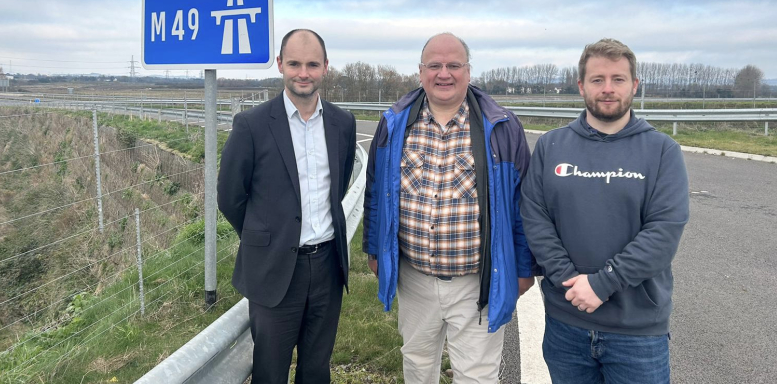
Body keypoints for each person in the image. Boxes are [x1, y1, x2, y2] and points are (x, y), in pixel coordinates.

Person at [362, 32, 537, 383]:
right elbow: (376, 192)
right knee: (417, 367)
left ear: (468, 72)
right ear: (421, 71)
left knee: (476, 377)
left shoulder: (501, 127)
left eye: (454, 65)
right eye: (435, 65)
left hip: (478, 282)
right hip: (414, 280)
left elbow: (523, 205)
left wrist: (524, 267)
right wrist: (373, 248)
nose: (444, 73)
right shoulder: (395, 122)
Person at [520, 38, 690, 384]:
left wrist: (602, 284)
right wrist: (571, 281)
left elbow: (664, 231)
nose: (608, 89)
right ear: (581, 86)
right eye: (598, 80)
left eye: (618, 79)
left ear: (634, 85)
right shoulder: (551, 146)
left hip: (637, 333)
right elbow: (536, 219)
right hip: (566, 324)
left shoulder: (662, 151)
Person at [217, 29, 357, 384]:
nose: (303, 73)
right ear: (280, 65)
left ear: (326, 67)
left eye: (312, 64)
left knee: (316, 369)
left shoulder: (343, 123)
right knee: (270, 372)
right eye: (294, 63)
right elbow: (231, 197)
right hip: (274, 269)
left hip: (327, 267)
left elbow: (336, 188)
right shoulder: (251, 125)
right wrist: (265, 237)